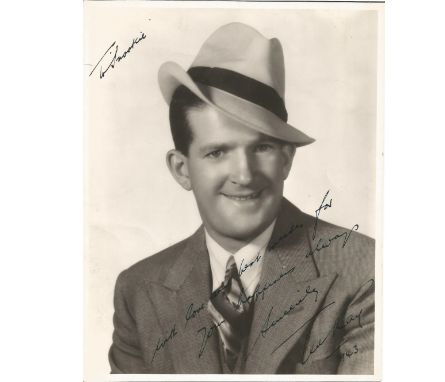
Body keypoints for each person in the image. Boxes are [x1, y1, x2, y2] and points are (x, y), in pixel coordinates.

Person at [109, 22, 375, 374]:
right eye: (218, 152)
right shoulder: (139, 291)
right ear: (181, 169)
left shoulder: (365, 269)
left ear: (286, 159)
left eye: (261, 147)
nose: (245, 175)